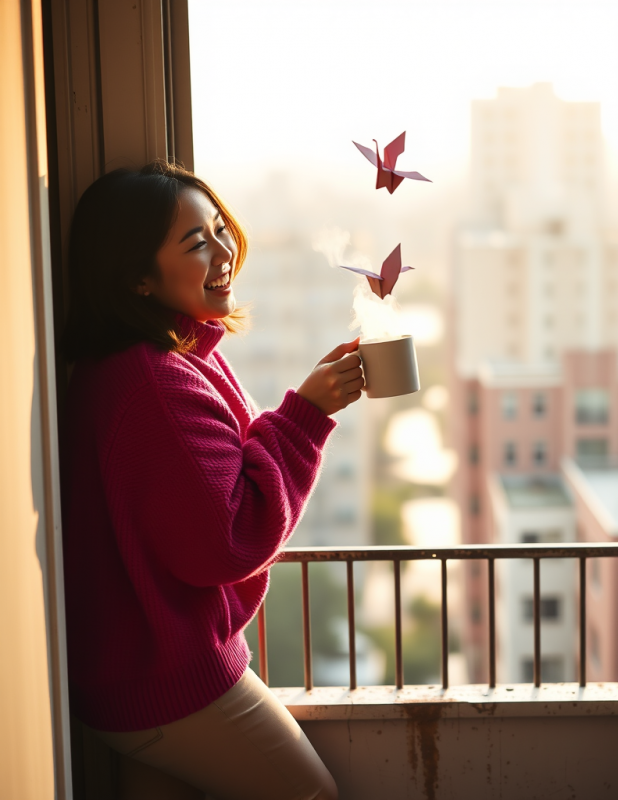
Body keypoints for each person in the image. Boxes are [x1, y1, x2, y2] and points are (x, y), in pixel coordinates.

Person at [61, 160, 362, 800]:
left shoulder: (139, 364)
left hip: (121, 683)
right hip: (171, 686)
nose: (225, 250)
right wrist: (306, 417)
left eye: (220, 228)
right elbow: (228, 541)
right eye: (197, 242)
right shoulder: (155, 383)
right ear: (138, 277)